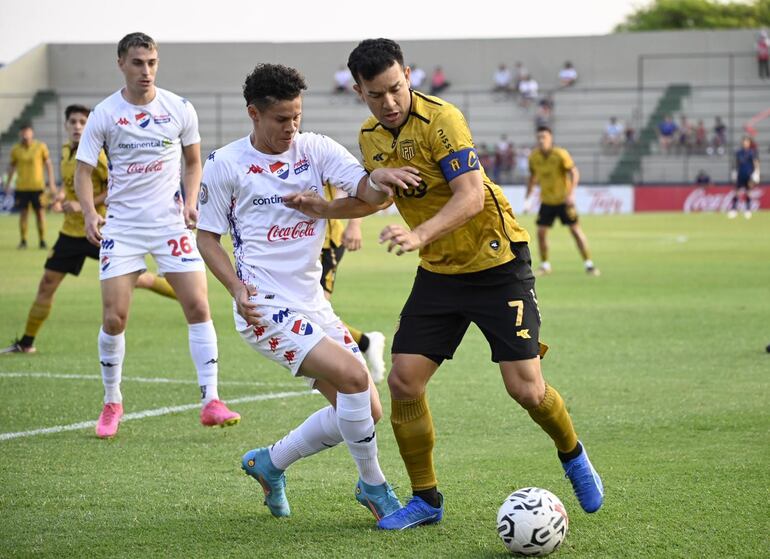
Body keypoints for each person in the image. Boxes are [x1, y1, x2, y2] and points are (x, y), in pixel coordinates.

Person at [287, 38, 604, 530]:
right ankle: (426, 500)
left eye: (395, 89)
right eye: (376, 94)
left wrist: (418, 234)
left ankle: (572, 452)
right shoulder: (371, 136)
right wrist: (326, 208)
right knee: (403, 381)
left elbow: (472, 196)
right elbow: (372, 198)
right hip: (439, 272)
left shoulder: (443, 119)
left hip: (497, 264)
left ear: (408, 75)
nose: (389, 103)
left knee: (525, 388)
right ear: (359, 92)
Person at [196, 63, 413, 521]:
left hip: (314, 304)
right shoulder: (225, 165)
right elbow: (207, 238)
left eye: (297, 116)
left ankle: (270, 463)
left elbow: (365, 191)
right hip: (264, 307)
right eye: (281, 119)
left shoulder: (314, 149)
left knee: (366, 410)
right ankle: (374, 489)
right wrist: (235, 287)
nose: (292, 127)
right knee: (355, 379)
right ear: (254, 113)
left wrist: (380, 181)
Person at [74, 32, 240, 438]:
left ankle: (211, 401)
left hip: (170, 224)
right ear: (121, 64)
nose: (145, 70)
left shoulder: (179, 108)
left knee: (199, 307)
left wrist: (189, 200)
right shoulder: (104, 113)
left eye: (151, 62)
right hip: (124, 228)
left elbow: (193, 161)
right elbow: (82, 171)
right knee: (114, 317)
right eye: (137, 63)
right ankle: (112, 401)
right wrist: (90, 213)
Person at [1, 104, 176, 356]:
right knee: (46, 284)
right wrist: (62, 196)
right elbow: (73, 186)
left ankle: (187, 297)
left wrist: (84, 205)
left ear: (90, 125)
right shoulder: (64, 152)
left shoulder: (100, 155)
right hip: (70, 233)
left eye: (82, 122)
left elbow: (115, 189)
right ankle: (26, 342)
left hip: (100, 230)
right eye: (72, 122)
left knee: (139, 279)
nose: (77, 127)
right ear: (66, 125)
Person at [321, 182, 386, 383]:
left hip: (325, 244)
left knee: (316, 312)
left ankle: (335, 371)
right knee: (308, 313)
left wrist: (355, 224)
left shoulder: (317, 151)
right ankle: (365, 342)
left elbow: (359, 184)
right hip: (291, 247)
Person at [525, 125, 599, 277]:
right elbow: (532, 177)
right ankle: (545, 265)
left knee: (575, 231)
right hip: (546, 201)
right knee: (540, 233)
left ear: (550, 138)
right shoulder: (534, 157)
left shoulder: (560, 154)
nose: (541, 140)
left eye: (544, 137)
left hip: (563, 201)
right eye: (539, 137)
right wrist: (528, 196)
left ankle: (589, 264)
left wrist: (572, 194)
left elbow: (574, 172)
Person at [5, 123, 57, 249]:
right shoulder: (16, 149)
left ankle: (42, 240)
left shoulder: (40, 147)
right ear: (20, 134)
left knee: (40, 213)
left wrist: (51, 183)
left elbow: (48, 165)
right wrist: (8, 184)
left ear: (32, 133)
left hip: (38, 187)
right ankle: (23, 240)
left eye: (27, 131)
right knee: (23, 214)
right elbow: (12, 167)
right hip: (21, 187)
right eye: (23, 132)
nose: (25, 134)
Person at [727, 136, 760, 219]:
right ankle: (733, 209)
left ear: (749, 143)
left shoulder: (752, 152)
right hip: (740, 174)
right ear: (742, 143)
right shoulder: (739, 152)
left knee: (748, 192)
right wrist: (734, 172)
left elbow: (756, 162)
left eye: (747, 142)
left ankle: (748, 210)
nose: (745, 143)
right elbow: (735, 163)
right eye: (744, 142)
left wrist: (757, 172)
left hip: (749, 174)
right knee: (737, 192)